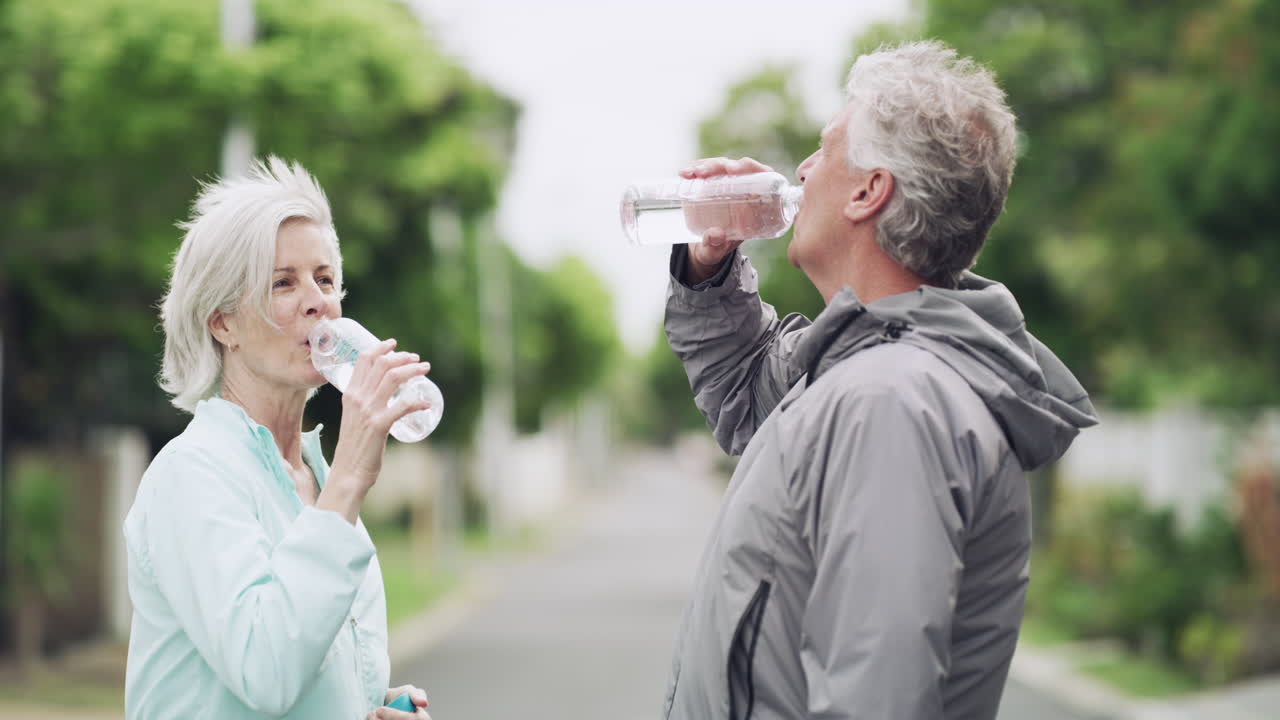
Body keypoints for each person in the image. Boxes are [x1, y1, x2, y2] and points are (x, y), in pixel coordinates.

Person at [660, 41, 1099, 720]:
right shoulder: (864, 362)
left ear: (869, 191)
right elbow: (747, 397)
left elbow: (878, 696)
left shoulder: (892, 401)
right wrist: (710, 265)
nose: (801, 169)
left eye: (825, 148)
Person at [124, 157, 434, 720]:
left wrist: (368, 704)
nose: (317, 301)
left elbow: (309, 663)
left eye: (325, 279)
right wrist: (348, 483)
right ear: (222, 323)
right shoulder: (192, 475)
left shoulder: (313, 478)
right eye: (283, 283)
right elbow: (264, 669)